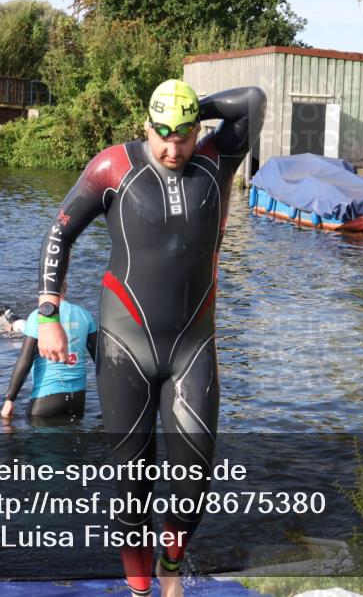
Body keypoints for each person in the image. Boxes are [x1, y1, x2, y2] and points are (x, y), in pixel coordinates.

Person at [36, 79, 265, 597]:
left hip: (192, 347)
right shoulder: (112, 167)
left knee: (193, 482)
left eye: (184, 134)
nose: (172, 148)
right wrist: (48, 311)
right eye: (162, 134)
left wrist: (193, 107)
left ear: (196, 131)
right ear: (146, 126)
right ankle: (142, 592)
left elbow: (252, 100)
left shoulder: (216, 159)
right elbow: (60, 232)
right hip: (125, 346)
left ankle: (172, 560)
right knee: (130, 488)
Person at [0, 292, 98, 422]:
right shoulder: (85, 315)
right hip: (78, 401)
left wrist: (9, 399)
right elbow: (100, 360)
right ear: (66, 288)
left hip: (46, 402)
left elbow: (25, 361)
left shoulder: (38, 317)